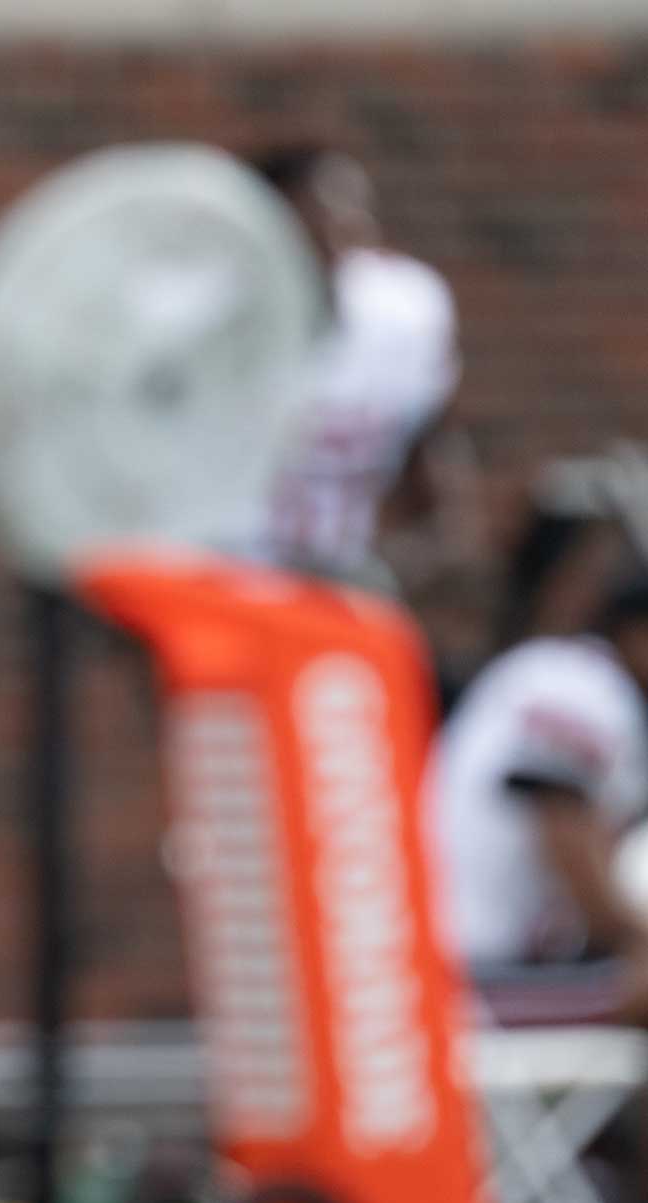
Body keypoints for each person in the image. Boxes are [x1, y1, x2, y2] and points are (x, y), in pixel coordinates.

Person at [249, 144, 488, 660]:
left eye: (348, 219)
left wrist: (401, 568)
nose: (335, 241)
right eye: (314, 224)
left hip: (342, 587)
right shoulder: (209, 334)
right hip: (227, 588)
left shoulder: (400, 317)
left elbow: (440, 489)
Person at [431, 575, 648, 1025]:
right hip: (469, 965)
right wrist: (632, 935)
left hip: (482, 956)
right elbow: (562, 829)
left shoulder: (580, 680)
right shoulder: (577, 681)